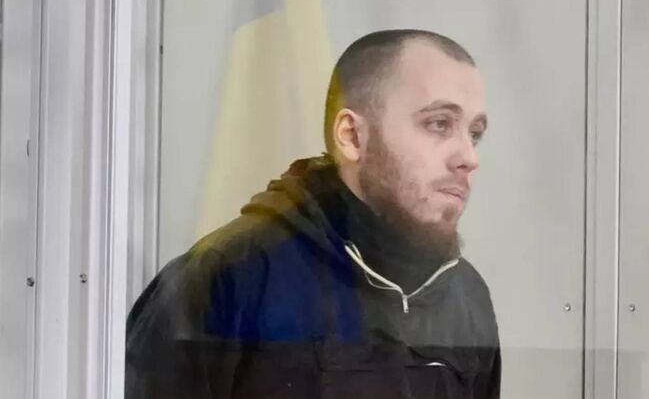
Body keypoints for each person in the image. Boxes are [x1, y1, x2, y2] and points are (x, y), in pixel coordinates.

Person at [125, 29, 501, 398]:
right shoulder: (227, 277)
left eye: (475, 134)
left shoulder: (466, 298)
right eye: (439, 124)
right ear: (351, 136)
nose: (469, 158)